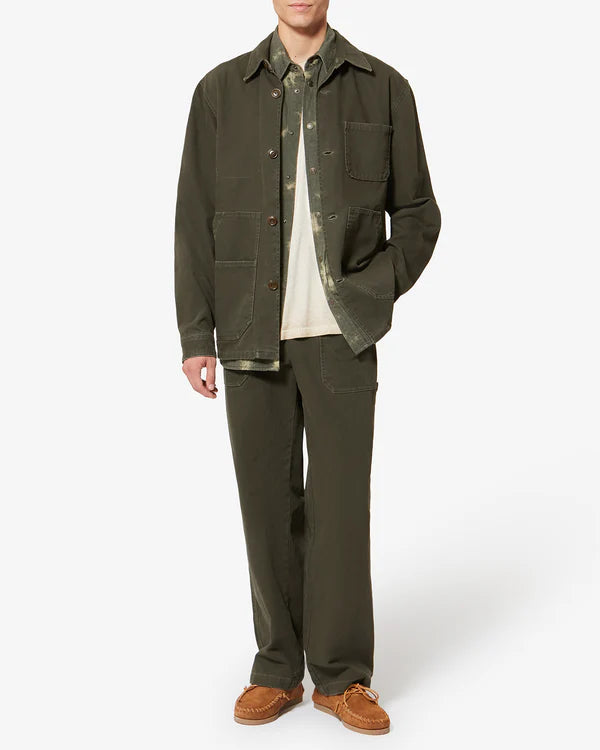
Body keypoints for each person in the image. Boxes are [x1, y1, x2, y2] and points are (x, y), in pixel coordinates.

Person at [174, 0, 441, 735]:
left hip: (342, 336)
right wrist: (196, 333)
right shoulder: (219, 92)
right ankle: (276, 669)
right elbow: (193, 219)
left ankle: (342, 675)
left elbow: (418, 214)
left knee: (341, 509)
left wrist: (373, 290)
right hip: (249, 330)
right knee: (266, 507)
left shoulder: (383, 87)